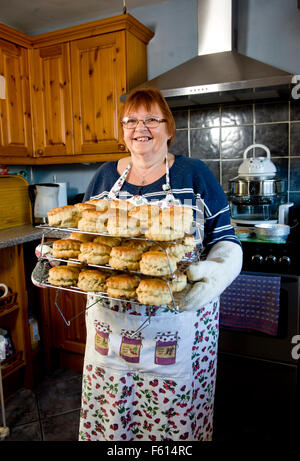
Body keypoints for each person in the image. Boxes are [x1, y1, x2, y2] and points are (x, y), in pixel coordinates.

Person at [78, 87, 243, 442]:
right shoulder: (105, 177)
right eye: (132, 120)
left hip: (179, 321)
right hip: (111, 328)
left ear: (169, 128)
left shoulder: (194, 173)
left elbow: (226, 239)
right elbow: (85, 238)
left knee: (171, 425)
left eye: (152, 119)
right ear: (123, 131)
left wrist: (215, 276)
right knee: (112, 417)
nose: (141, 128)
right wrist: (59, 255)